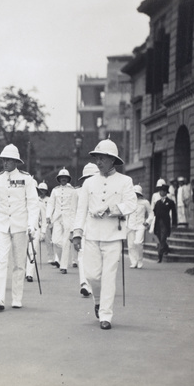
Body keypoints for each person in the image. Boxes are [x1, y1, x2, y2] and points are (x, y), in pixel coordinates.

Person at [72, 138, 136, 330]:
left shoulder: (125, 181)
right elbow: (81, 210)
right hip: (91, 234)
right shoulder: (89, 183)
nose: (98, 162)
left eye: (102, 158)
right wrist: (77, 232)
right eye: (97, 158)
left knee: (109, 276)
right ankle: (98, 300)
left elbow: (131, 204)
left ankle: (105, 315)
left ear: (113, 160)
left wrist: (112, 209)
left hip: (113, 235)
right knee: (92, 276)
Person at [0, 144, 39, 311]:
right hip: (2, 225)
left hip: (20, 225)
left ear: (16, 161)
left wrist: (32, 225)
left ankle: (17, 298)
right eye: (4, 160)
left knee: (19, 263)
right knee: (1, 260)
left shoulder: (27, 179)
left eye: (9, 160)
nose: (5, 163)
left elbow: (33, 204)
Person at [73, 163, 99, 296]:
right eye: (86, 178)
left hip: (100, 229)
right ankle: (84, 283)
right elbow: (76, 212)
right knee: (81, 255)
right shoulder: (78, 192)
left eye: (91, 177)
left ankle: (96, 284)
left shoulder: (103, 190)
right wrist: (75, 231)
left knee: (97, 259)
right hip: (83, 228)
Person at [46, 167, 77, 274]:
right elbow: (50, 203)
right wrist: (48, 215)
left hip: (68, 218)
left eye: (65, 177)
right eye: (61, 177)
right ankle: (59, 260)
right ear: (59, 179)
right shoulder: (55, 190)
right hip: (57, 218)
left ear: (68, 179)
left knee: (66, 242)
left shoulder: (73, 191)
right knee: (55, 241)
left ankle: (64, 266)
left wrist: (73, 223)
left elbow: (74, 207)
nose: (63, 179)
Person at [127, 185, 154, 269]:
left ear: (140, 194)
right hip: (130, 225)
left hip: (140, 225)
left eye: (137, 193)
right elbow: (126, 214)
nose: (135, 195)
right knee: (131, 245)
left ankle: (140, 261)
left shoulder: (145, 202)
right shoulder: (129, 202)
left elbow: (151, 213)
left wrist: (147, 222)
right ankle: (133, 262)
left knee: (138, 242)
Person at [153, 183, 177, 262]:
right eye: (160, 191)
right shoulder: (157, 202)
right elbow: (154, 212)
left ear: (166, 192)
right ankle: (166, 248)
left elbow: (174, 213)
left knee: (163, 239)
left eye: (162, 191)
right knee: (160, 238)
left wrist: (174, 223)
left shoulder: (170, 202)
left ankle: (160, 257)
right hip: (158, 223)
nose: (160, 192)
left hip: (165, 223)